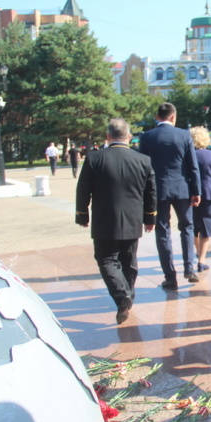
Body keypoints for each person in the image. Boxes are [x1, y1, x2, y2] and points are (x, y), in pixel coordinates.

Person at [75, 118, 157, 324]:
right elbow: (151, 192)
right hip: (132, 219)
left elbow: (83, 189)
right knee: (129, 261)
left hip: (104, 218)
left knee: (106, 259)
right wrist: (150, 218)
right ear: (128, 136)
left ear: (108, 137)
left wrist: (82, 215)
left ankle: (122, 296)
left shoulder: (94, 158)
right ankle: (128, 295)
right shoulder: (143, 160)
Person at [139, 102, 202, 289]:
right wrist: (196, 191)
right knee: (187, 227)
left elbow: (143, 168)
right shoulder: (184, 135)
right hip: (183, 189)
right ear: (173, 117)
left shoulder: (147, 137)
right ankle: (189, 267)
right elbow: (193, 165)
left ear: (157, 117)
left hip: (157, 190)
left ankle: (170, 276)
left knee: (162, 231)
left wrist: (144, 195)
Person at [190, 126, 211, 273]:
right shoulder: (210, 155)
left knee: (193, 228)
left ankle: (198, 254)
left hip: (190, 196)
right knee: (206, 229)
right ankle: (202, 259)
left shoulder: (187, 155)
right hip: (210, 195)